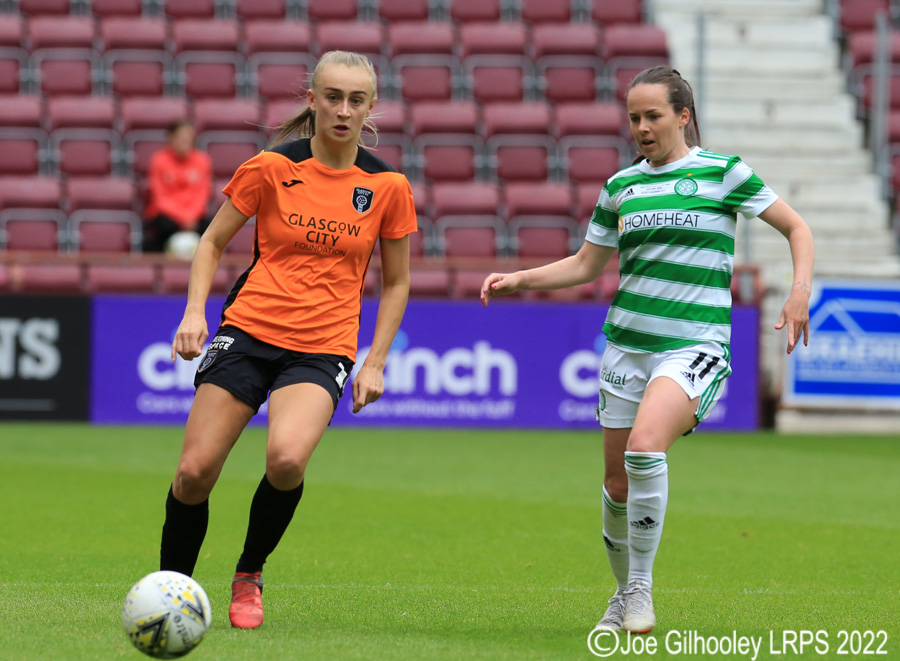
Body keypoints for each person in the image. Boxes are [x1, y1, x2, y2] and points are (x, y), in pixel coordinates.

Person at [480, 65, 814, 634]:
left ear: (683, 115)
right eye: (634, 117)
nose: (642, 126)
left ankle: (640, 587)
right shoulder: (621, 187)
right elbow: (586, 265)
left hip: (694, 345)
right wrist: (522, 278)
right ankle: (621, 592)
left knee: (644, 447)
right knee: (615, 487)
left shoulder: (723, 172)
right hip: (626, 349)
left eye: (653, 115)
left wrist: (800, 292)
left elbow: (797, 229)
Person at [160, 50, 417, 630]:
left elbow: (396, 281)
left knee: (286, 459)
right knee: (194, 474)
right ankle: (171, 588)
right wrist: (193, 312)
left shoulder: (387, 185)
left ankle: (248, 574)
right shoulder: (270, 167)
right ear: (312, 99)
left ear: (372, 107)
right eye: (332, 97)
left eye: (356, 100)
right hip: (247, 332)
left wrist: (375, 361)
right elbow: (210, 243)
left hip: (322, 345)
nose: (343, 110)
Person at [143, 120, 213, 252]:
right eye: (181, 137)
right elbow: (159, 197)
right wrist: (182, 218)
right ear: (171, 138)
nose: (185, 141)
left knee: (212, 229)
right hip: (168, 216)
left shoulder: (202, 160)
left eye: (188, 138)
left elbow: (203, 194)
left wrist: (191, 217)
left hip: (195, 217)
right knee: (163, 227)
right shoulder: (158, 160)